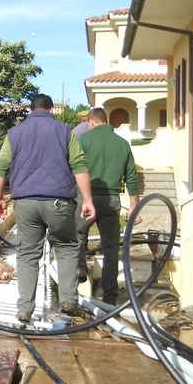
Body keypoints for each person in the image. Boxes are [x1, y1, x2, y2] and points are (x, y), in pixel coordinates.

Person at [0, 94, 96, 322]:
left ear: (31, 110)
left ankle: (25, 309)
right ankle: (69, 300)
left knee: (28, 254)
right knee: (67, 247)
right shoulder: (64, 131)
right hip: (59, 202)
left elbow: (1, 166)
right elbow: (79, 165)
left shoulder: (15, 133)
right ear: (51, 109)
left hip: (26, 203)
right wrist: (87, 200)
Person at [77, 107, 139, 305]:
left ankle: (79, 269)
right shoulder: (122, 144)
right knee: (111, 248)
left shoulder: (83, 141)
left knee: (78, 235)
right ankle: (110, 297)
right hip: (112, 200)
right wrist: (133, 205)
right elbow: (131, 176)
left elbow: (73, 168)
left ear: (92, 122)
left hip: (86, 198)